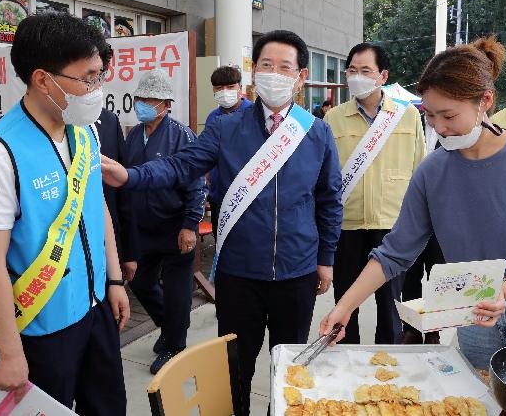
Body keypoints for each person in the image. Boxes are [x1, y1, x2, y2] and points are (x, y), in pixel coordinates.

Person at [102, 30, 343, 414]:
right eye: (266, 65)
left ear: (300, 77)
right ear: (254, 72)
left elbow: (329, 200)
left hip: (296, 272)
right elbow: (183, 165)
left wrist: (326, 257)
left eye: (284, 67)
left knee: (290, 368)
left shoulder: (316, 131)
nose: (274, 74)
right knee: (235, 367)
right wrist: (132, 176)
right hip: (239, 274)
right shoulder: (226, 127)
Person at [320, 36, 506, 370]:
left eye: (448, 116)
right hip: (474, 312)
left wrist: (504, 289)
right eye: (430, 116)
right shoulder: (432, 172)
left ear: (484, 101)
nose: (439, 128)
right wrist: (344, 307)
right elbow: (395, 251)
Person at [0, 13, 129, 414]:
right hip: (41, 326)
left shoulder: (84, 131)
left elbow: (97, 209)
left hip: (95, 307)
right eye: (88, 78)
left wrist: (114, 279)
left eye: (100, 76)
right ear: (43, 79)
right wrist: (9, 353)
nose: (97, 89)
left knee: (109, 406)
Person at [324, 43, 425, 345]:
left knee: (390, 307)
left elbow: (419, 170)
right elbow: (326, 176)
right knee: (345, 302)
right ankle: (347, 362)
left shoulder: (407, 116)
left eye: (365, 71)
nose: (357, 76)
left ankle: (387, 365)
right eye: (352, 70)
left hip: (392, 227)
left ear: (383, 76)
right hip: (347, 226)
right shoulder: (333, 119)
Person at [125, 69, 206, 374]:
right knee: (143, 283)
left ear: (165, 103)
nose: (143, 105)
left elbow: (196, 183)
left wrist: (189, 225)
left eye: (149, 100)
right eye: (140, 99)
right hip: (144, 229)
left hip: (175, 228)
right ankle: (170, 326)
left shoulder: (181, 135)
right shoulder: (134, 135)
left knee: (177, 291)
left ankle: (174, 344)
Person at [206, 66, 254, 238]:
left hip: (247, 196)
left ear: (240, 87)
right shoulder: (212, 117)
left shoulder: (253, 113)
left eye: (230, 87)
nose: (224, 92)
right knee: (221, 243)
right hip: (218, 194)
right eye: (219, 88)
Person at [95, 108, 140, 282]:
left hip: (108, 245)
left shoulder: (108, 120)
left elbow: (123, 191)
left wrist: (129, 252)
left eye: (98, 79)